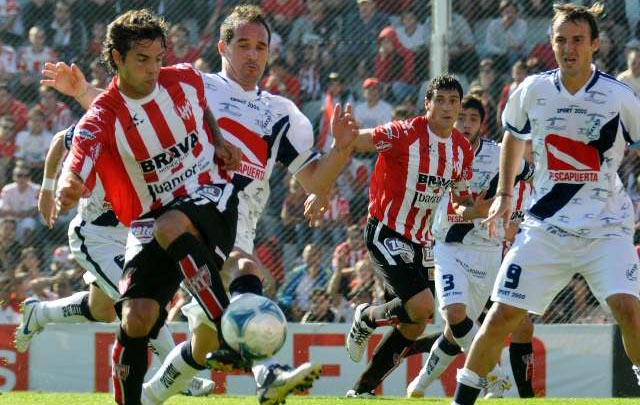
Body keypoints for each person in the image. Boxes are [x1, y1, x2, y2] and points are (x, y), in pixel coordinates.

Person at [42, 5, 358, 405]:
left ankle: (232, 378)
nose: (252, 55)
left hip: (224, 211)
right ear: (222, 47)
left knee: (219, 304)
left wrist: (340, 151)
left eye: (261, 47)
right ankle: (229, 378)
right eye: (243, 45)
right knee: (147, 315)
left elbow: (314, 178)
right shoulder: (192, 81)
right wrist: (80, 102)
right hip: (162, 213)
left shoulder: (283, 114)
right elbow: (122, 106)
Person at [45, 9, 243, 405]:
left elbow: (201, 106)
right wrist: (67, 185)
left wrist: (219, 141)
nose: (153, 68)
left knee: (170, 225)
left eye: (158, 58)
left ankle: (228, 331)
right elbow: (79, 153)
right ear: (116, 58)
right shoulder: (102, 115)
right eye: (142, 59)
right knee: (135, 317)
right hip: (149, 221)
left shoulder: (184, 77)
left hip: (209, 196)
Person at [452, 3, 640, 404]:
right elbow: (513, 137)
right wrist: (504, 195)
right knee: (502, 315)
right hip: (546, 228)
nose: (568, 48)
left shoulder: (619, 97)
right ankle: (462, 399)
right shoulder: (532, 90)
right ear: (551, 44)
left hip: (606, 227)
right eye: (560, 40)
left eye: (577, 40)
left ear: (595, 44)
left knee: (628, 308)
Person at [13, 126, 216, 398]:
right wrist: (47, 189)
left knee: (102, 310)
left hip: (133, 233)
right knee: (140, 302)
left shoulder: (156, 130)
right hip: (96, 236)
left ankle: (39, 313)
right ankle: (180, 378)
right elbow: (61, 138)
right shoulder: (104, 125)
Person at [308, 75, 474, 397]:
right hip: (386, 229)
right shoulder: (404, 133)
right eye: (440, 100)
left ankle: (362, 390)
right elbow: (357, 141)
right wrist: (324, 184)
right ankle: (366, 317)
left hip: (422, 240)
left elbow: (460, 199)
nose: (447, 107)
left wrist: (482, 209)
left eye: (453, 101)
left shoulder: (461, 149)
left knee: (415, 322)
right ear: (427, 104)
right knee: (423, 306)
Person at [405, 95, 533, 399]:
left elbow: (532, 172)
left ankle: (421, 383)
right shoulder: (437, 151)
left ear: (481, 124)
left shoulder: (499, 154)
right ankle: (495, 375)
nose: (465, 124)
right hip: (449, 246)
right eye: (461, 117)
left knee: (456, 332)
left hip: (488, 251)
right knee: (454, 313)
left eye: (473, 119)